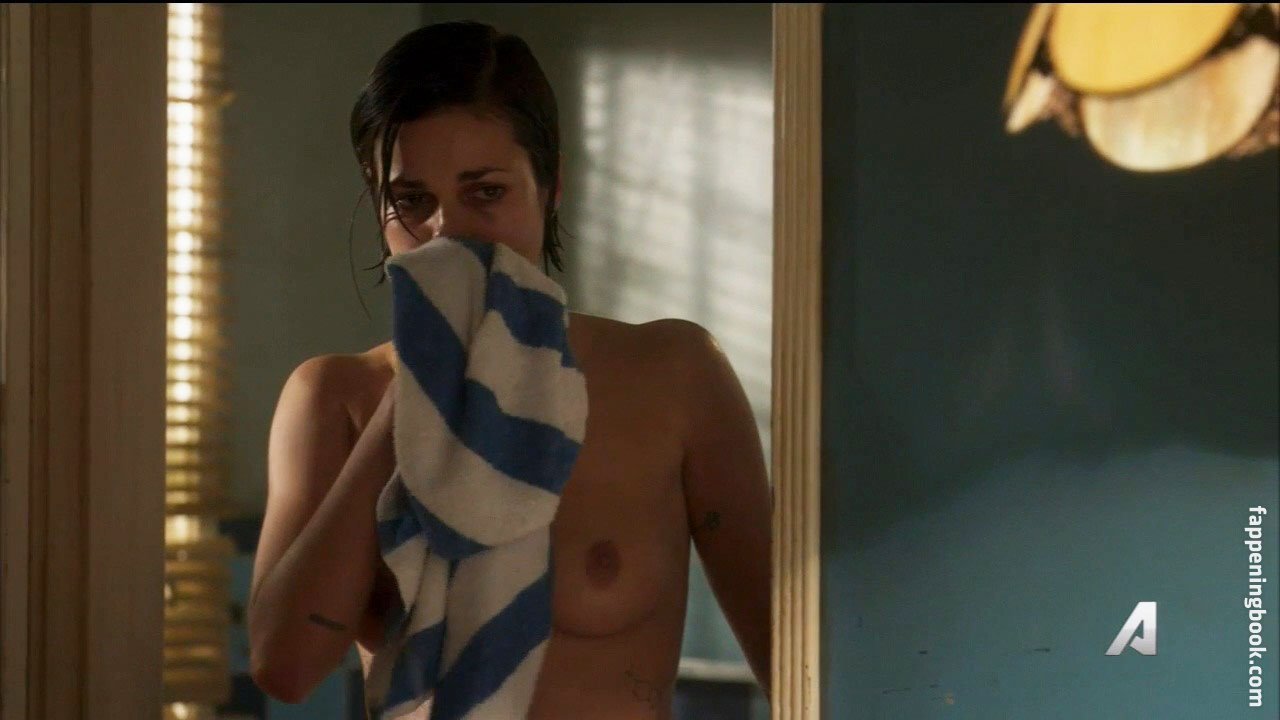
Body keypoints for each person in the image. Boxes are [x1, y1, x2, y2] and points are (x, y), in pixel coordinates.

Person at [246, 20, 771, 720]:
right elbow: (283, 668)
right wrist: (416, 399)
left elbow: (796, 654)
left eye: (485, 192)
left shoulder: (673, 377)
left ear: (550, 188)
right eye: (412, 200)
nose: (447, 233)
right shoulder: (335, 396)